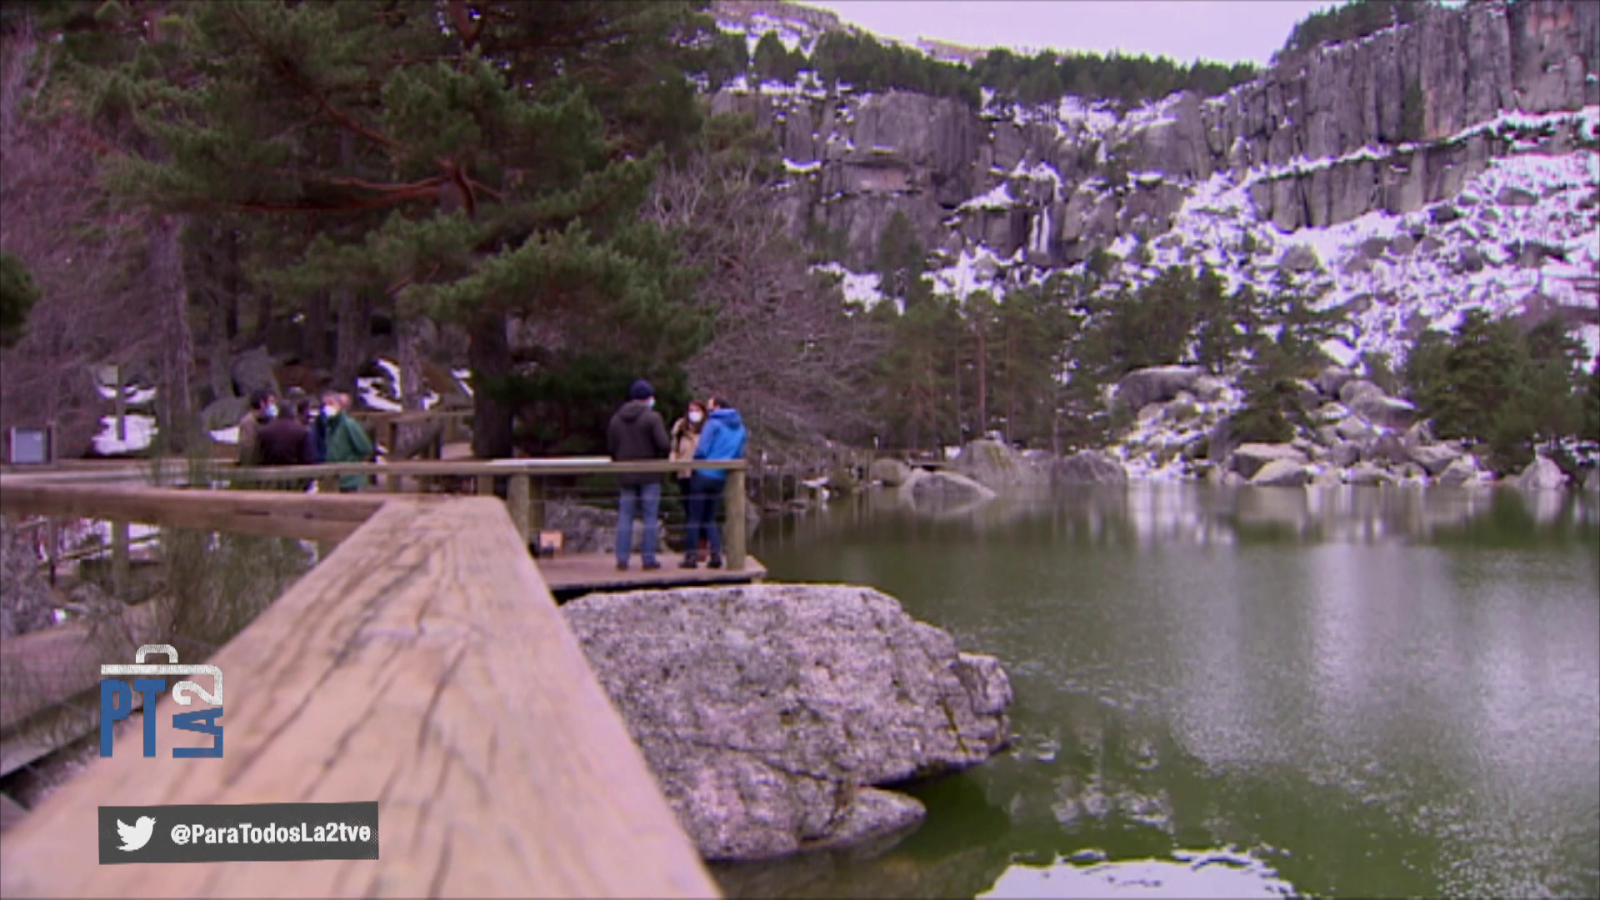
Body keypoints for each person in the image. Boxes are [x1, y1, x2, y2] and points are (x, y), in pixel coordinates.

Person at [606, 379, 670, 571]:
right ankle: (648, 559)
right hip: (649, 474)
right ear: (648, 398)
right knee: (650, 517)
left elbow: (611, 447)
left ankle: (622, 558)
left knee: (625, 516)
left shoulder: (616, 419)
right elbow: (663, 444)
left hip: (626, 473)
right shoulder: (653, 418)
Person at [682, 393, 746, 570]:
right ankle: (716, 554)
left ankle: (691, 557)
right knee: (709, 518)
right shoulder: (740, 428)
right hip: (720, 477)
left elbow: (702, 449)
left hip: (703, 474)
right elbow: (738, 453)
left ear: (717, 407)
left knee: (694, 517)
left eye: (710, 406)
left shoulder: (713, 424)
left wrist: (695, 463)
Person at [669, 400, 707, 560]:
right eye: (691, 410)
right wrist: (673, 463)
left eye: (697, 410)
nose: (694, 413)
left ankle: (702, 546)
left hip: (702, 474)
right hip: (684, 473)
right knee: (688, 510)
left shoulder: (708, 428)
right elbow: (674, 449)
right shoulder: (680, 428)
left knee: (701, 512)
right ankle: (691, 547)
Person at [320, 390, 373, 492]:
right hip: (333, 477)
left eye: (331, 403)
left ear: (339, 405)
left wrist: (353, 462)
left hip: (349, 477)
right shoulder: (329, 426)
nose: (327, 407)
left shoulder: (348, 424)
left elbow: (365, 447)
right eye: (325, 404)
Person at [238, 388, 276, 466]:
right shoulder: (248, 422)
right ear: (262, 403)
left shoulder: (267, 420)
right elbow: (247, 449)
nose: (274, 406)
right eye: (271, 402)